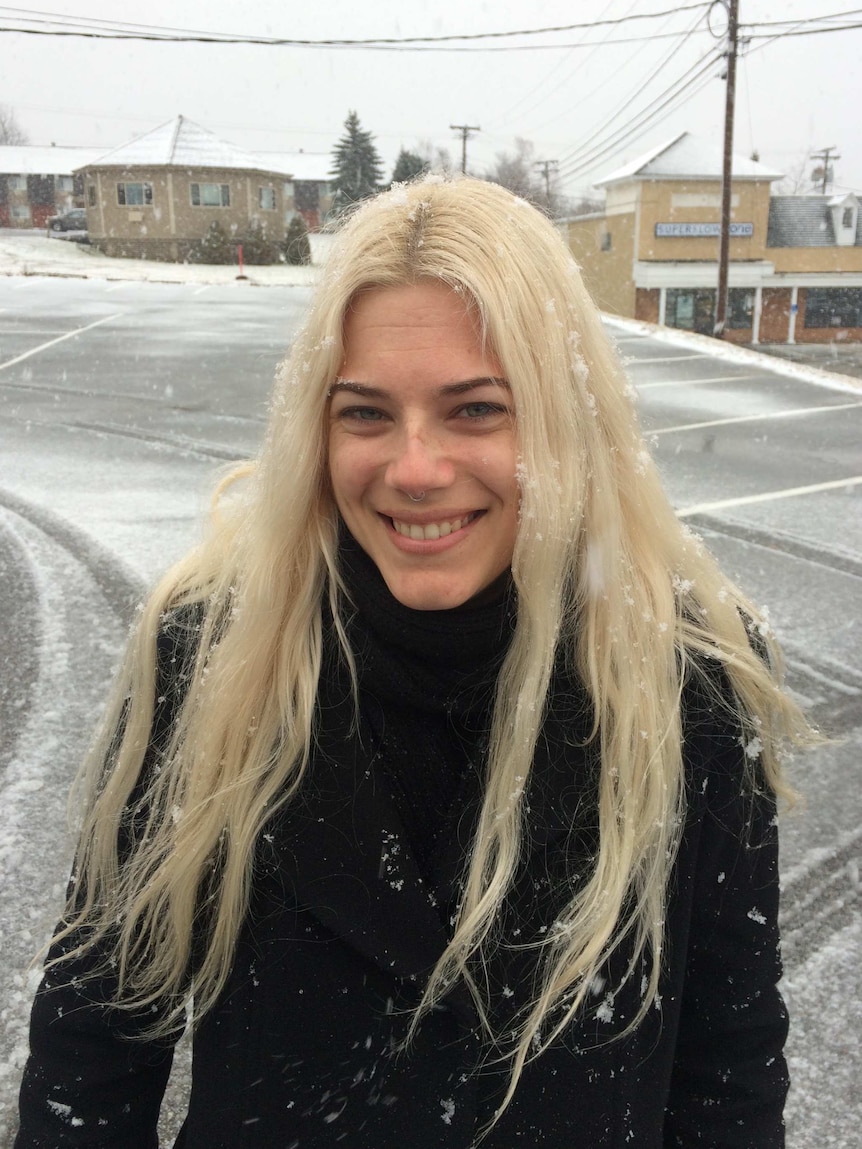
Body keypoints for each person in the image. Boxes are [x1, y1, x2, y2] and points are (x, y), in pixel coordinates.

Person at [16, 176, 811, 1149]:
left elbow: (725, 1062)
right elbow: (92, 1048)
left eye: (475, 410)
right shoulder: (214, 650)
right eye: (364, 414)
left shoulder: (689, 675)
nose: (414, 468)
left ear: (566, 421)